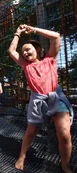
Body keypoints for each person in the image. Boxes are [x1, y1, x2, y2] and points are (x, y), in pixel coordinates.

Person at [8, 24, 73, 173]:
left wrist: (34, 30)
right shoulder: (26, 65)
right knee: (31, 131)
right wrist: (17, 34)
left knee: (64, 134)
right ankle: (22, 156)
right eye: (23, 51)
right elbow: (12, 50)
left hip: (55, 98)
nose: (24, 53)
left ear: (37, 50)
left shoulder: (50, 59)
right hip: (37, 101)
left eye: (28, 49)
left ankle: (65, 165)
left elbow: (56, 36)